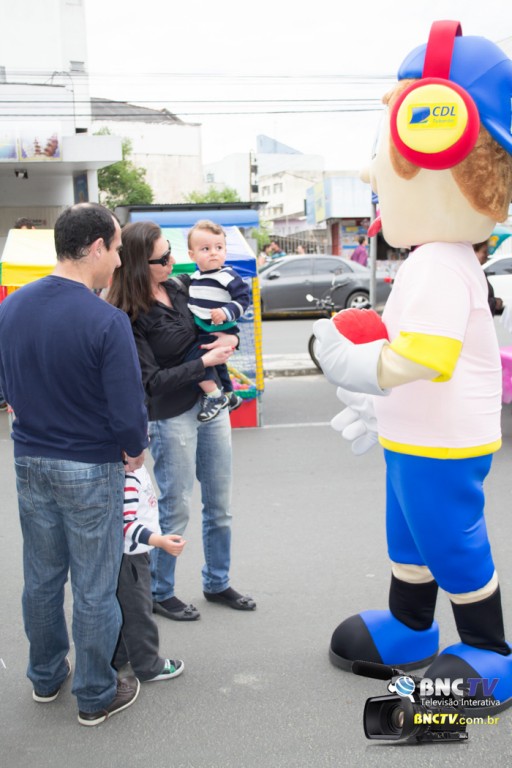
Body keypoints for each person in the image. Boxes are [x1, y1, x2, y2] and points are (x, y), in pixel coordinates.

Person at [0, 202, 149, 727]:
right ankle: (94, 693)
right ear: (96, 248)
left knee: (42, 576)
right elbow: (127, 405)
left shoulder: (13, 305)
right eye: (117, 248)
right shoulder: (105, 319)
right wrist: (135, 448)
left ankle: (45, 677)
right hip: (88, 463)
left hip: (29, 457)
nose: (119, 260)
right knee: (93, 584)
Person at [107, 220, 256, 621]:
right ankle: (161, 590)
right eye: (163, 258)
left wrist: (232, 339)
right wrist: (204, 363)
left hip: (211, 406)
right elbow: (150, 382)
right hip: (170, 415)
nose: (173, 262)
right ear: (138, 265)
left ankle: (218, 582)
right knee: (175, 508)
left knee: (220, 505)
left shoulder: (181, 287)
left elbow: (218, 322)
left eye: (171, 253)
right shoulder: (129, 314)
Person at [114, 464, 186, 682]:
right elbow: (126, 524)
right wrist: (159, 541)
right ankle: (148, 666)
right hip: (130, 557)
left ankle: (117, 658)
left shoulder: (136, 468)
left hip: (134, 554)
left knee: (126, 610)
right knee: (139, 612)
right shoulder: (129, 475)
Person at [186, 220, 249, 423]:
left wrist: (226, 311)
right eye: (205, 249)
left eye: (219, 247)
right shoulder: (194, 277)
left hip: (220, 328)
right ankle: (230, 395)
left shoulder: (227, 276)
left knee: (194, 362)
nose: (213, 253)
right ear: (192, 255)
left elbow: (243, 299)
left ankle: (214, 396)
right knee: (219, 365)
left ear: (225, 251)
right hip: (203, 327)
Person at [474, 240, 504, 315]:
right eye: (484, 252)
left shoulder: (478, 272)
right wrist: (495, 302)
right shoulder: (473, 274)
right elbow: (478, 302)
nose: (487, 255)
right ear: (474, 252)